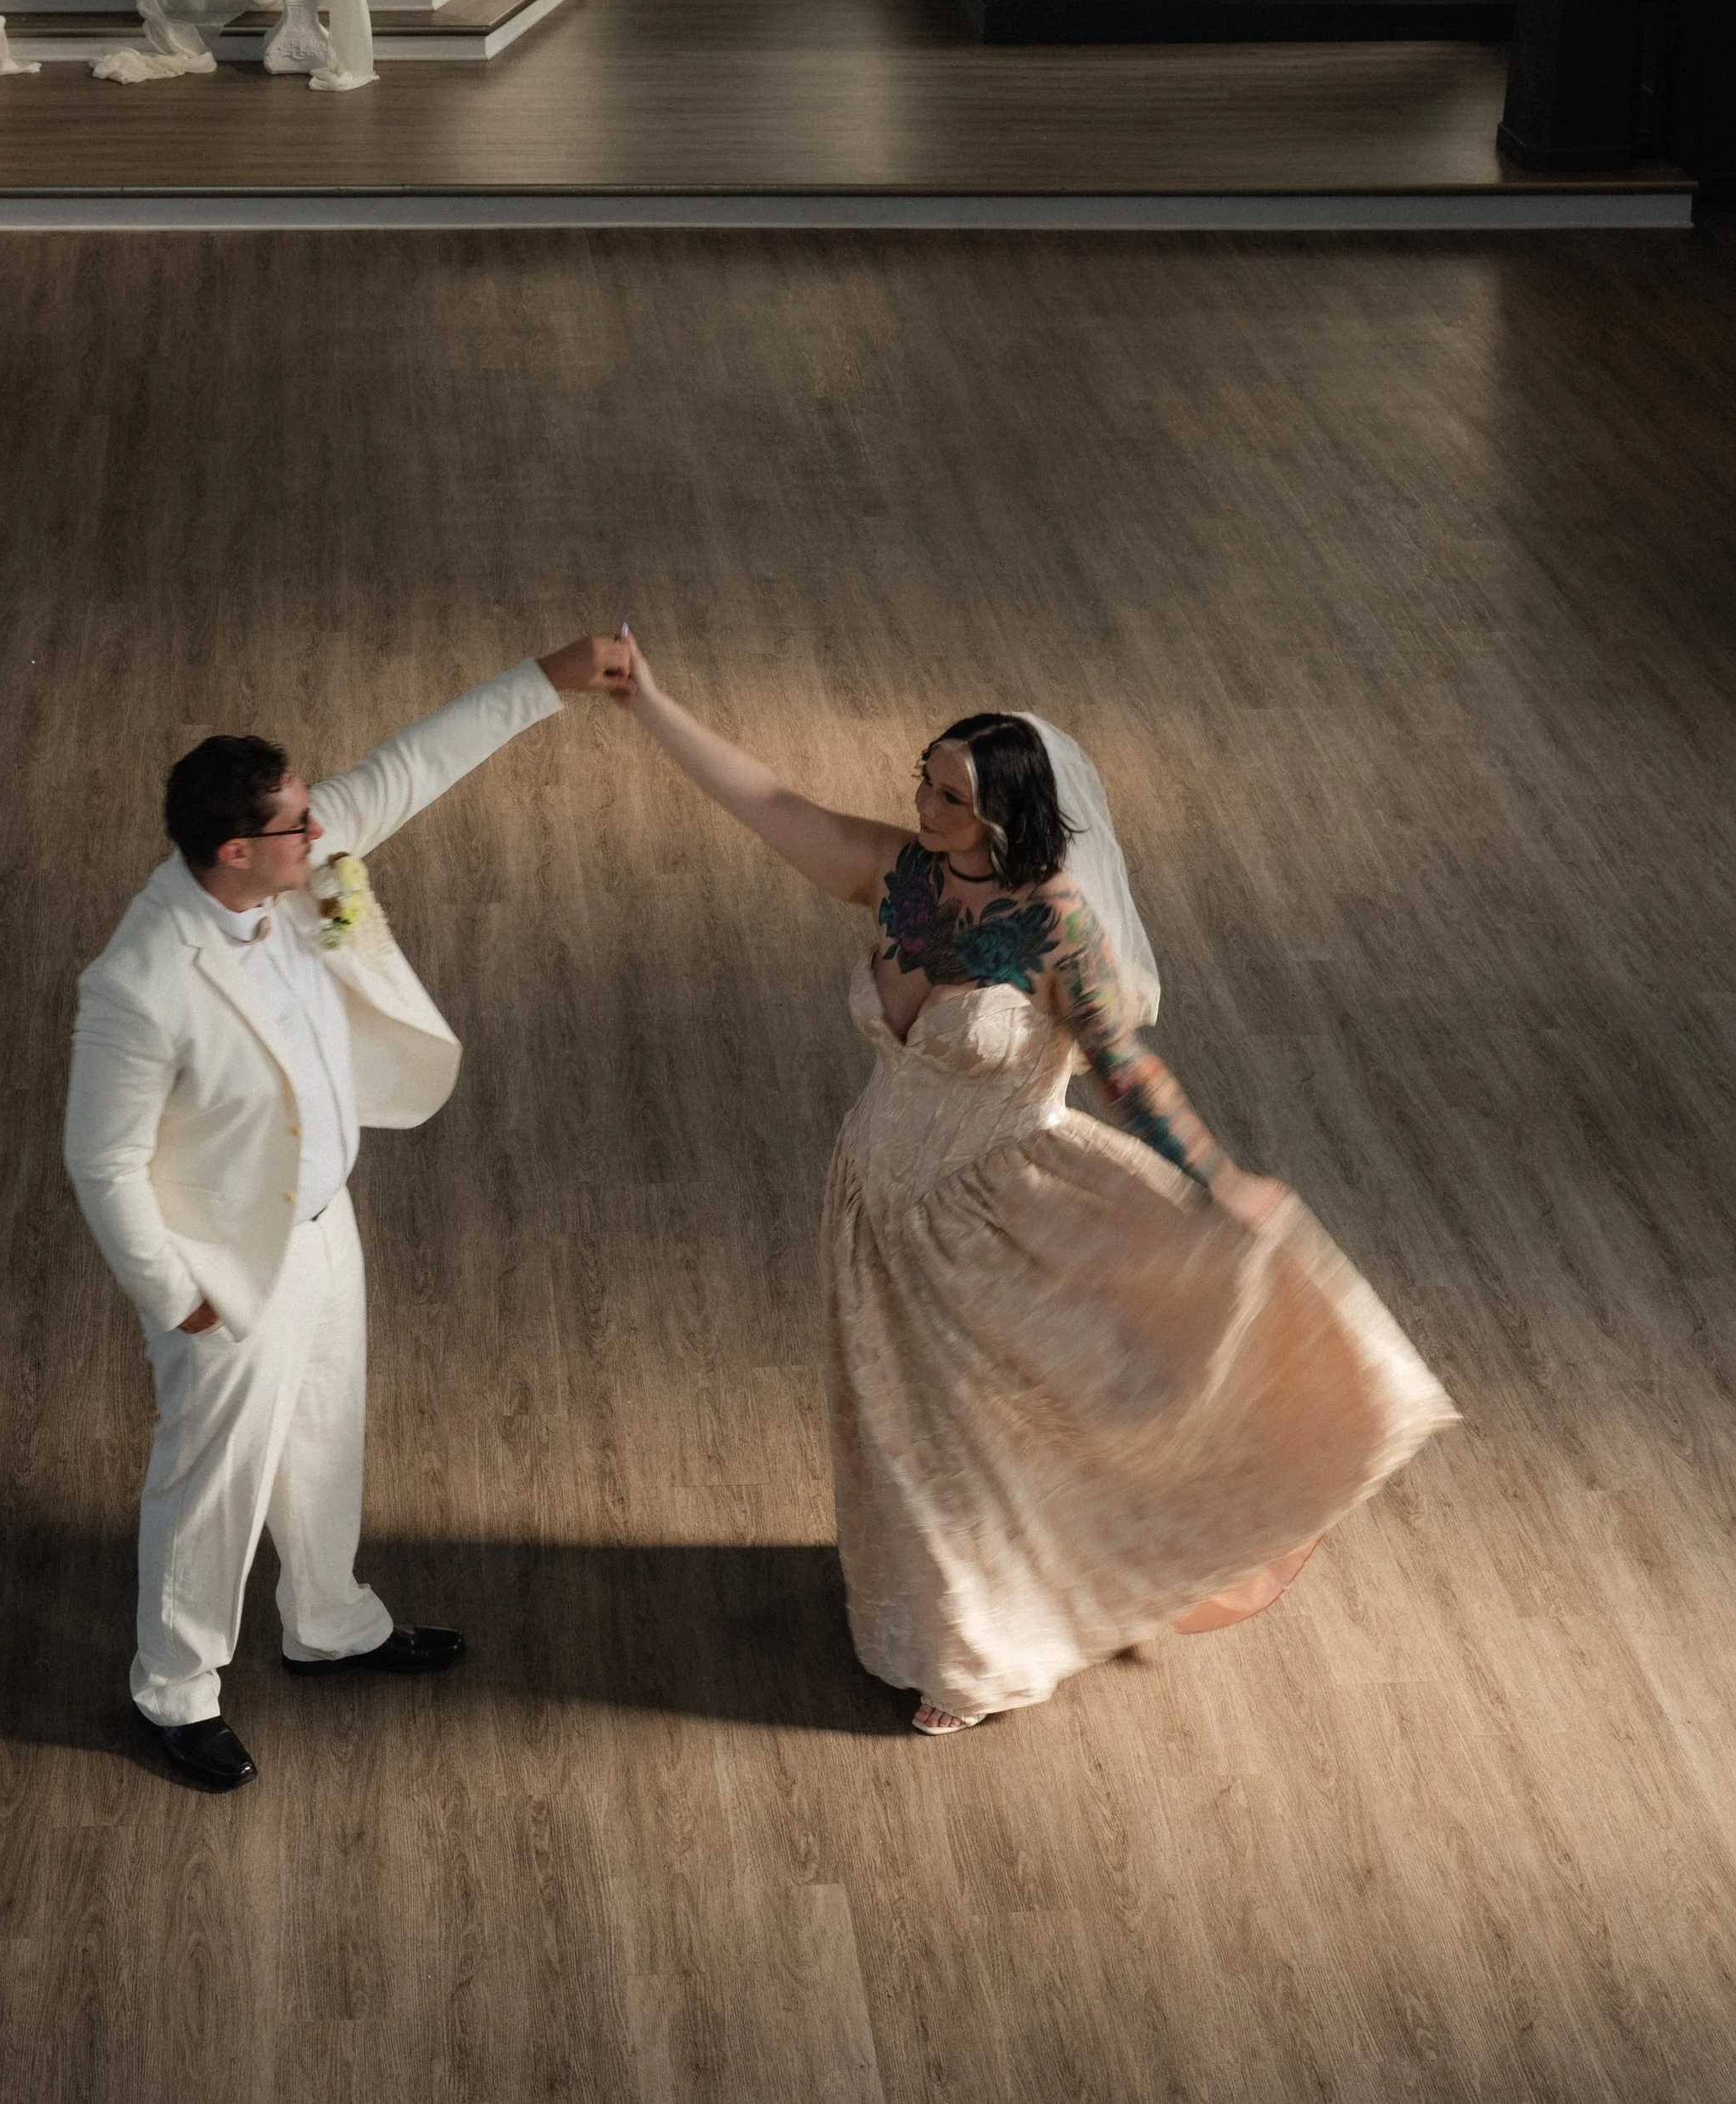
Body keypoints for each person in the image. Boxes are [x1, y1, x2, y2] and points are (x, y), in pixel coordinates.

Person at [613, 636, 1455, 1735]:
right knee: (903, 1429)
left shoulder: (1058, 925)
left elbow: (1124, 1067)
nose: (923, 801)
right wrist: (649, 701)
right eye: (924, 774)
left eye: (951, 794)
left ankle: (974, 1653)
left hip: (997, 1212)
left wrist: (1215, 1177)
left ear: (1006, 812)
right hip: (872, 1203)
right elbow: (767, 800)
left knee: (975, 1431)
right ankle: (944, 1611)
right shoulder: (899, 875)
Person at [66, 636, 631, 1793]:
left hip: (326, 1222)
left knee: (327, 1431)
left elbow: (413, 764)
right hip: (230, 1269)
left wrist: (550, 680)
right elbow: (101, 1160)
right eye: (298, 825)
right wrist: (180, 1301)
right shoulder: (139, 982)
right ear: (239, 851)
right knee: (212, 1479)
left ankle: (331, 1622)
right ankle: (174, 1688)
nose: (324, 834)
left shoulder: (296, 862)